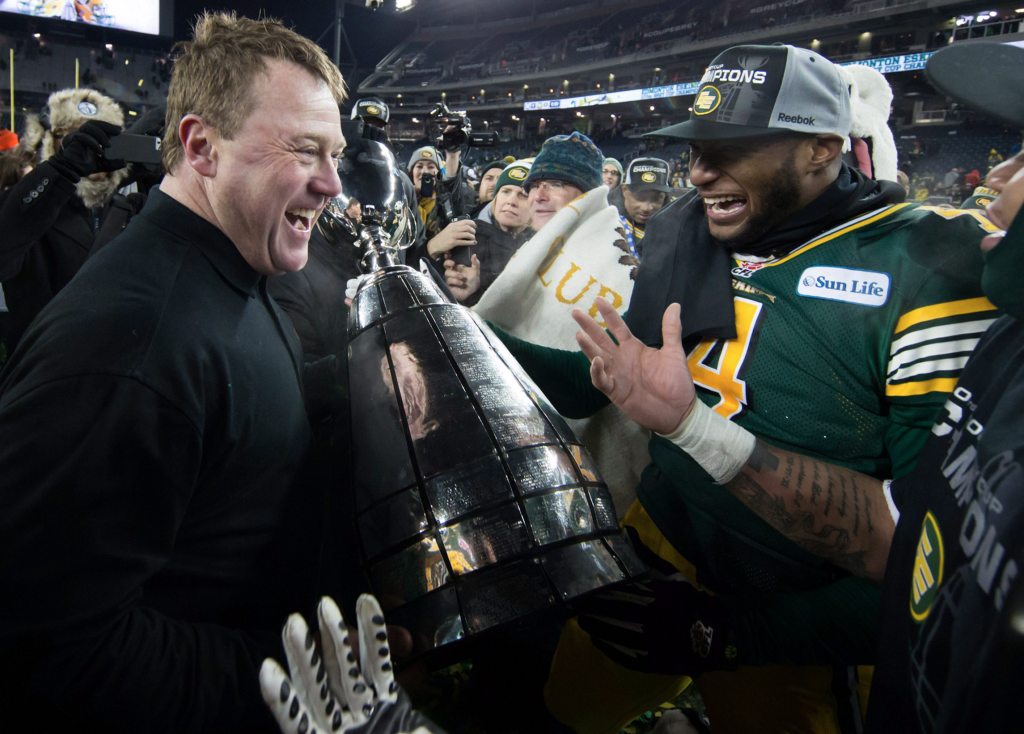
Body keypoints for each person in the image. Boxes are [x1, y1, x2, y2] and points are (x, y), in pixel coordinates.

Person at [491, 44, 997, 734]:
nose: (700, 171)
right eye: (698, 147)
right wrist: (473, 333)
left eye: (732, 149)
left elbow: (933, 559)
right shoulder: (686, 226)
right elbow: (600, 386)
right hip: (661, 536)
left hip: (800, 604)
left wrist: (737, 634)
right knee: (564, 710)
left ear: (822, 148)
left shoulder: (931, 266)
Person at [0, 13, 353, 732]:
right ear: (201, 147)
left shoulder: (226, 267)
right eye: (305, 150)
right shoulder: (128, 343)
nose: (332, 183)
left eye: (335, 154)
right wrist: (292, 680)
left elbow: (221, 421)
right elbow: (50, 650)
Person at [0, 88, 141, 351]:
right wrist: (61, 171)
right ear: (47, 142)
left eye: (101, 136)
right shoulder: (25, 208)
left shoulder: (128, 209)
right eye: (74, 137)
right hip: (43, 362)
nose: (91, 148)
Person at [444, 160, 534, 305]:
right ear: (495, 199)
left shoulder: (542, 247)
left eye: (523, 195)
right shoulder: (469, 236)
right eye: (505, 191)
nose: (511, 201)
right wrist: (468, 294)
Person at [404, 145, 474, 271]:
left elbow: (453, 185)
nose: (425, 172)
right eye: (419, 166)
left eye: (431, 167)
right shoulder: (401, 201)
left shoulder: (447, 202)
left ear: (439, 173)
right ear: (411, 171)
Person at [611, 157, 672, 259]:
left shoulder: (676, 226)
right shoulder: (607, 223)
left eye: (656, 198)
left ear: (665, 196)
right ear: (625, 190)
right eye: (639, 197)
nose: (646, 208)